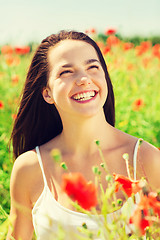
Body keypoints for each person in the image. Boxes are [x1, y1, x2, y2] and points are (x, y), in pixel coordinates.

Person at [7, 30, 160, 240]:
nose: (84, 79)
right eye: (66, 72)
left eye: (93, 67)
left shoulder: (146, 159)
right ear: (47, 93)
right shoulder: (30, 168)